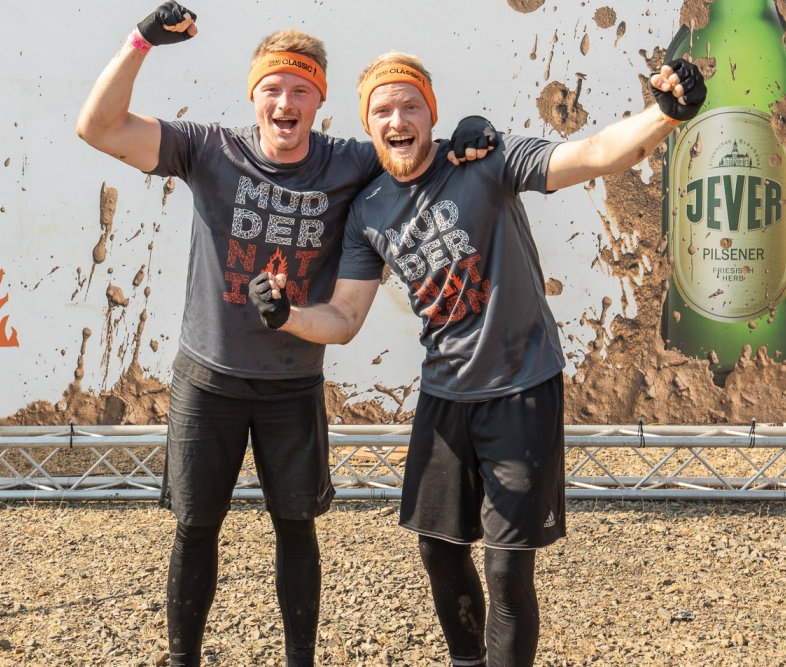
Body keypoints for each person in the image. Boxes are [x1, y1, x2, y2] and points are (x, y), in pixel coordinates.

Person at [246, 52, 706, 667]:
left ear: (431, 115)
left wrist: (667, 114)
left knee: (507, 570)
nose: (398, 119)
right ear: (368, 124)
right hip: (445, 396)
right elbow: (346, 318)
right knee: (438, 551)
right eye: (383, 110)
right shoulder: (368, 210)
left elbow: (595, 154)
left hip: (521, 388)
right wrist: (287, 315)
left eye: (411, 106)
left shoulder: (486, 159)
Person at [75, 2, 499, 667]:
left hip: (292, 385)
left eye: (301, 89)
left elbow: (412, 150)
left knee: (296, 527)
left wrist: (466, 139)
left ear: (319, 100)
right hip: (208, 380)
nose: (285, 102)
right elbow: (97, 127)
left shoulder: (350, 162)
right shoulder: (209, 150)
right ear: (254, 96)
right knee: (195, 528)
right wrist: (140, 42)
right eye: (273, 87)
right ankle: (183, 660)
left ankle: (300, 658)